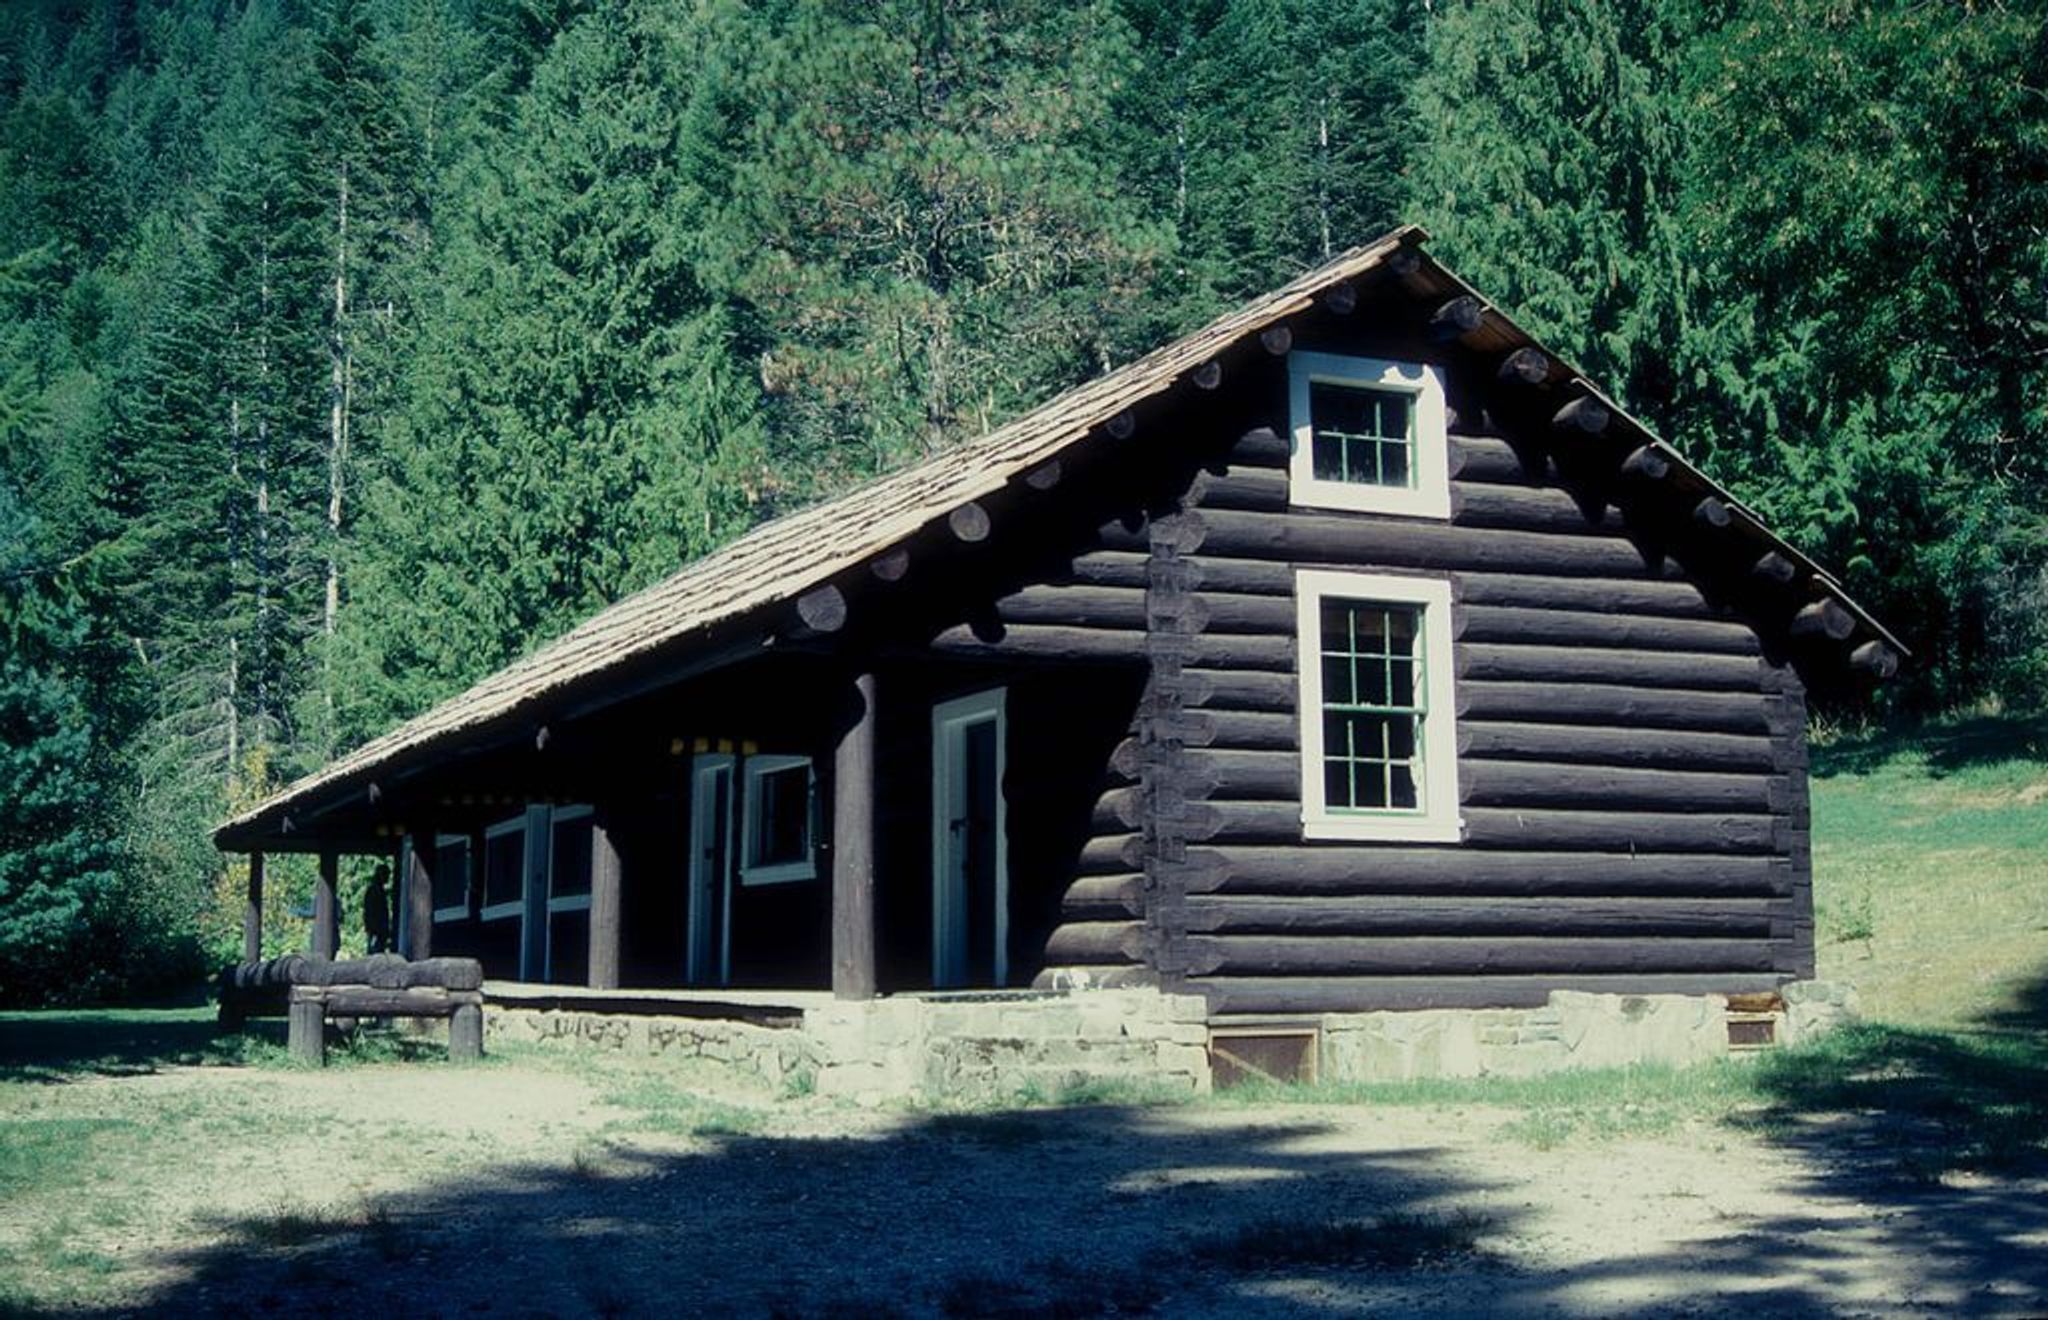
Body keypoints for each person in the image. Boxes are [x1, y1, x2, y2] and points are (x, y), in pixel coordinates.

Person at [363, 865, 393, 955]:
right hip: (376, 929)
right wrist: (374, 928)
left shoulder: (378, 890)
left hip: (378, 929)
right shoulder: (374, 891)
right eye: (386, 875)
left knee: (377, 951)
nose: (387, 878)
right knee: (375, 952)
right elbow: (371, 912)